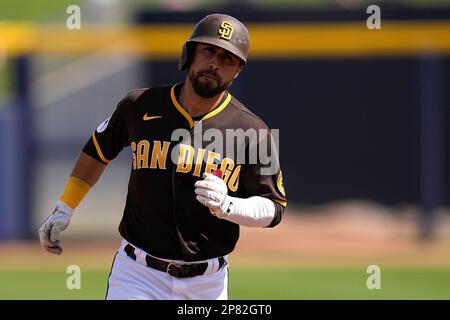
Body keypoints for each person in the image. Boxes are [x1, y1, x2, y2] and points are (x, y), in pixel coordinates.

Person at [39, 13, 287, 300]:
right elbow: (97, 150)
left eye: (227, 59)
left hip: (207, 284)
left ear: (238, 71)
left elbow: (275, 208)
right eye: (208, 51)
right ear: (189, 53)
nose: (214, 64)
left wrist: (230, 206)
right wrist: (65, 206)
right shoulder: (139, 105)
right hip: (136, 275)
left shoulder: (253, 130)